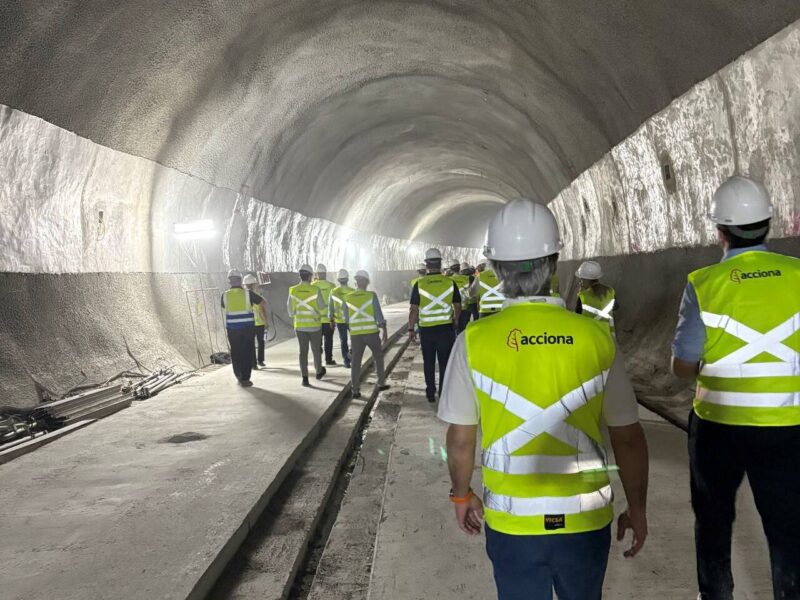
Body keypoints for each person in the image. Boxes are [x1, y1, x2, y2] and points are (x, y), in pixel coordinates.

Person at [439, 199, 649, 600]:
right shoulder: (597, 339)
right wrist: (637, 507)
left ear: (496, 269)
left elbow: (461, 440)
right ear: (554, 262)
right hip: (585, 521)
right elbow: (628, 438)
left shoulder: (474, 342)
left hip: (513, 524)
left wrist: (462, 494)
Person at [670, 175, 800, 600]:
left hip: (718, 428)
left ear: (720, 231)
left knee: (713, 522)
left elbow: (684, 367)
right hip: (789, 426)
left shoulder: (703, 284)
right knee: (789, 532)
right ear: (768, 224)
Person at [409, 248, 461, 402]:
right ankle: (444, 391)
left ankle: (430, 392)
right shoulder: (450, 282)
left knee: (429, 362)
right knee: (445, 362)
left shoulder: (419, 284)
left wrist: (411, 328)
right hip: (446, 329)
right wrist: (456, 320)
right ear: (440, 263)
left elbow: (413, 309)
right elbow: (458, 306)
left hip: (427, 331)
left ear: (427, 265)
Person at [345, 270, 391, 399]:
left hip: (356, 336)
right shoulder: (371, 295)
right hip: (371, 333)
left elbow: (346, 318)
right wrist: (384, 329)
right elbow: (378, 315)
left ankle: (355, 391)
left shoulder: (347, 297)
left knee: (355, 362)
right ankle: (381, 382)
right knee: (378, 356)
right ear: (367, 282)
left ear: (356, 282)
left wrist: (353, 331)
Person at [221, 269, 268, 387]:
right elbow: (263, 303)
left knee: (236, 352)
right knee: (247, 352)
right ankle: (246, 378)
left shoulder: (224, 295)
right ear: (240, 280)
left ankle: (239, 375)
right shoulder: (248, 294)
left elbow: (223, 306)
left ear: (229, 281)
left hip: (232, 329)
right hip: (247, 328)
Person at [287, 264, 327, 387]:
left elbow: (290, 311)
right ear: (310, 276)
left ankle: (305, 379)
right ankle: (319, 372)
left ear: (300, 276)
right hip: (315, 326)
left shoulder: (292, 290)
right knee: (316, 351)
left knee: (303, 352)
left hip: (300, 327)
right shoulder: (316, 290)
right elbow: (321, 307)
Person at [576, 261, 617, 335]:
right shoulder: (610, 291)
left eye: (581, 279)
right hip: (609, 337)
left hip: (591, 337)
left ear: (586, 279)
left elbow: (577, 317)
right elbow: (615, 308)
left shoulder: (583, 296)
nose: (580, 282)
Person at [312, 263, 337, 366]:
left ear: (317, 273)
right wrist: (334, 319)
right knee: (329, 340)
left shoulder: (312, 286)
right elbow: (334, 304)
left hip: (316, 320)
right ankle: (328, 360)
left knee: (317, 341)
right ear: (325, 273)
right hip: (328, 319)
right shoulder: (332, 286)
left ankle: (318, 359)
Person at [329, 268, 354, 368]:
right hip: (351, 320)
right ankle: (349, 357)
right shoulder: (352, 291)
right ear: (347, 279)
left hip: (340, 321)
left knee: (343, 341)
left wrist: (331, 319)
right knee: (355, 340)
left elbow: (330, 307)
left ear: (338, 280)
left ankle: (346, 361)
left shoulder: (333, 291)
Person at [243, 274, 269, 368]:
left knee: (251, 344)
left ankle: (253, 364)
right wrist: (266, 321)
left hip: (249, 323)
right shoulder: (256, 296)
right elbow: (262, 308)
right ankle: (260, 361)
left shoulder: (243, 295)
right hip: (259, 323)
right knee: (261, 342)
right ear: (254, 284)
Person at [451, 262, 473, 333]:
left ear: (451, 269)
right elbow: (470, 293)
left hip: (453, 309)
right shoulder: (467, 278)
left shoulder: (449, 280)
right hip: (465, 308)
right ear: (459, 268)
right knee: (464, 330)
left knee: (455, 330)